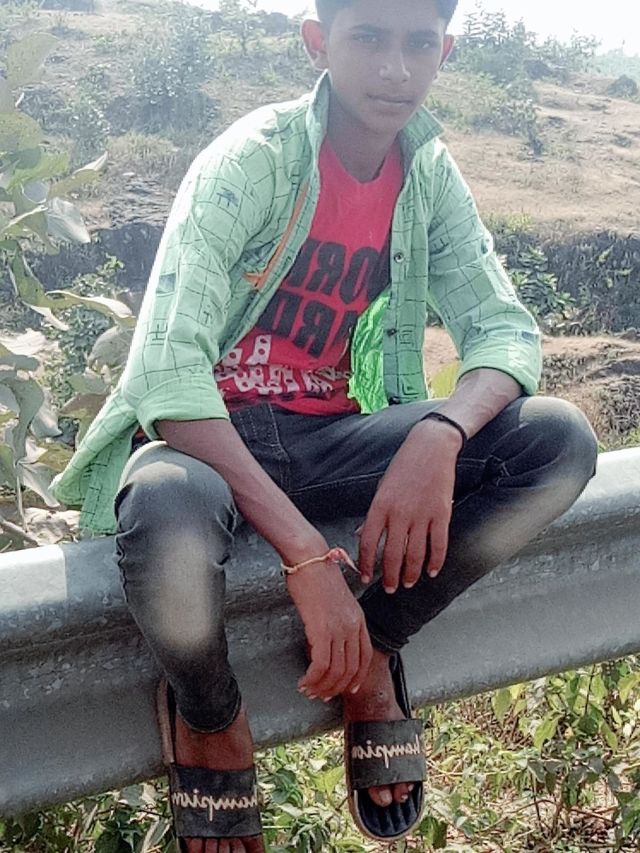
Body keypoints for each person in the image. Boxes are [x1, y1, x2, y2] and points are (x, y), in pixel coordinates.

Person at [52, 0, 598, 849]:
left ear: (446, 53)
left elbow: (505, 331)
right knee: (162, 506)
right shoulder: (253, 160)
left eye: (419, 44)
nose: (394, 68)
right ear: (318, 43)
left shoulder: (427, 173)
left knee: (556, 441)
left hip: (331, 438)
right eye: (368, 37)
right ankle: (209, 714)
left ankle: (374, 646)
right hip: (208, 442)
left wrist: (441, 431)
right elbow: (167, 374)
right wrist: (307, 556)